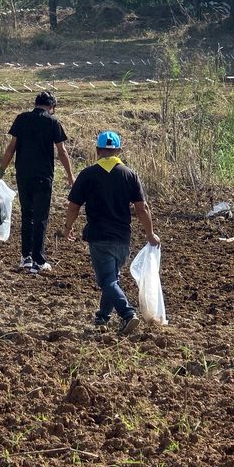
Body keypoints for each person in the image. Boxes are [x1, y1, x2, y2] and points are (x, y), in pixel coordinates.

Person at [63, 131, 160, 335]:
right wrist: (150, 233)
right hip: (123, 238)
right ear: (118, 151)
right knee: (112, 278)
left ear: (98, 151)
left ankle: (127, 314)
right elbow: (142, 209)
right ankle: (103, 317)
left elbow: (73, 206)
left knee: (106, 280)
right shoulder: (129, 174)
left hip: (99, 237)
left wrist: (68, 227)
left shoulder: (87, 174)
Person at [0, 91, 75, 273]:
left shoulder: (21, 119)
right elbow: (62, 152)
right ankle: (39, 259)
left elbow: (11, 147)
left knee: (26, 214)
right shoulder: (53, 122)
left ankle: (26, 258)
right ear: (51, 106)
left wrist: (1, 170)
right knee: (41, 217)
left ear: (36, 103)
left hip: (23, 174)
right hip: (43, 176)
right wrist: (70, 176)